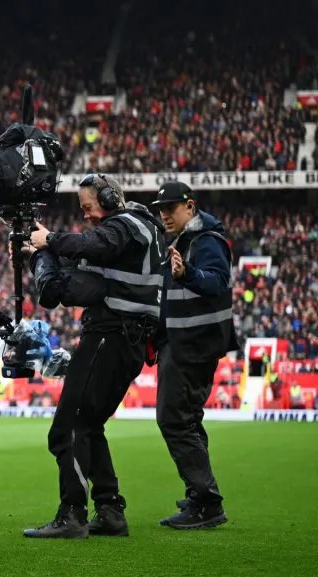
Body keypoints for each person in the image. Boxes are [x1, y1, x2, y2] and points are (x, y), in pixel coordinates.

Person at [23, 173, 164, 539]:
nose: (86, 216)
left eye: (88, 207)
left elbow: (92, 246)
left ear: (108, 197)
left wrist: (49, 240)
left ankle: (71, 514)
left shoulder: (126, 226)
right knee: (89, 425)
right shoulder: (136, 234)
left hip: (111, 336)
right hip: (125, 340)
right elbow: (68, 282)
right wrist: (43, 253)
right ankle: (110, 511)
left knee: (67, 428)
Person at [151, 181, 235, 529]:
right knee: (186, 420)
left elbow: (218, 282)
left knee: (174, 419)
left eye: (171, 208)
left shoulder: (207, 240)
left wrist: (188, 274)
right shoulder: (186, 240)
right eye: (161, 209)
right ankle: (200, 495)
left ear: (190, 206)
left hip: (193, 345)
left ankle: (206, 501)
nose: (164, 215)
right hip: (185, 342)